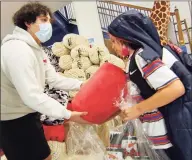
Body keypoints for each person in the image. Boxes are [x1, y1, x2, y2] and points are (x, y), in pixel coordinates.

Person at [1, 2, 88, 160]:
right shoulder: (17, 50)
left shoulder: (36, 49)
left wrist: (82, 85)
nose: (48, 24)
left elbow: (53, 79)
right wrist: (67, 113)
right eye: (43, 20)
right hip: (13, 120)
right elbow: (31, 95)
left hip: (28, 114)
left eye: (49, 20)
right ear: (28, 22)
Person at [108, 10, 192, 160]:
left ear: (125, 39)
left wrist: (137, 109)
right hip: (167, 129)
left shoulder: (141, 57)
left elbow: (175, 88)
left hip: (170, 131)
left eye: (114, 41)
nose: (112, 46)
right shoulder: (137, 58)